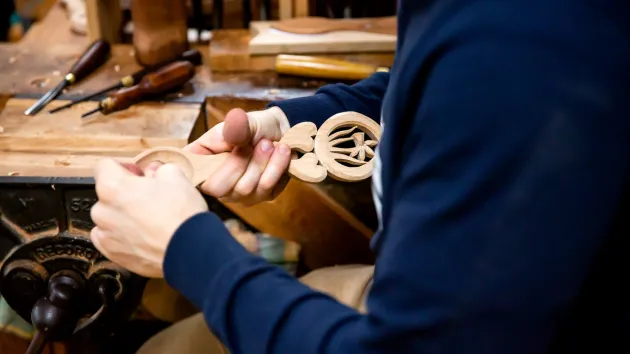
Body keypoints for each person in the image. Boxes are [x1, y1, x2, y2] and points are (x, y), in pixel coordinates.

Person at [89, 1, 630, 353]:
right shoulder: (473, 31)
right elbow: (422, 88)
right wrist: (286, 123)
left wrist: (188, 251)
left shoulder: (523, 44)